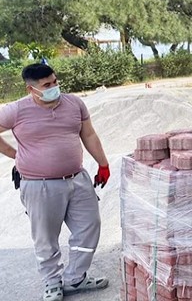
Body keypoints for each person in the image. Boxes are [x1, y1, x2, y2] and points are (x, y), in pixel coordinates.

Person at [0, 63, 110, 301]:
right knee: (46, 237)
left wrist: (103, 163)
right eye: (47, 85)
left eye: (55, 82)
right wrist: (14, 155)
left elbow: (88, 134)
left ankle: (76, 278)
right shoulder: (16, 110)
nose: (54, 88)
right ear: (31, 89)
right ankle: (52, 282)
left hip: (77, 179)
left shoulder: (74, 104)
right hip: (39, 185)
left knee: (89, 227)